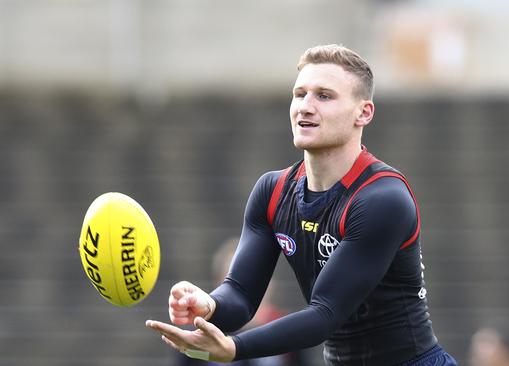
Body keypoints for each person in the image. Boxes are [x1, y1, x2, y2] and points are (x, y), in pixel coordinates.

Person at [146, 44, 457, 366]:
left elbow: (325, 314)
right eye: (300, 94)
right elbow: (240, 293)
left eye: (324, 96)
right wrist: (209, 305)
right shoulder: (272, 190)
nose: (305, 107)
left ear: (363, 113)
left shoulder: (381, 198)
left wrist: (234, 347)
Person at [175, 237, 308, 366]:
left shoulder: (287, 330)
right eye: (234, 281)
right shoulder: (201, 334)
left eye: (257, 276)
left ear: (271, 282)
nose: (249, 286)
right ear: (219, 286)